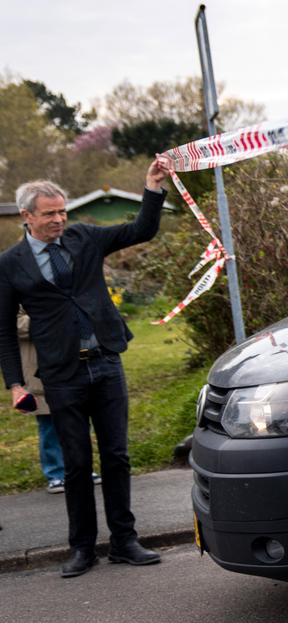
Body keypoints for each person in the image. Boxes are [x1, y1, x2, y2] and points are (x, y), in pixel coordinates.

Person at [0, 156, 172, 578]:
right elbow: (3, 329)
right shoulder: (10, 263)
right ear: (26, 216)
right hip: (61, 373)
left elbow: (140, 230)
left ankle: (125, 541)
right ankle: (81, 548)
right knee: (76, 463)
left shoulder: (85, 237)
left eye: (62, 211)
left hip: (106, 363)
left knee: (117, 456)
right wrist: (15, 384)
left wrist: (152, 187)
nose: (59, 219)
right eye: (49, 214)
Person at [17, 308, 76, 493]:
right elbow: (16, 325)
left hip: (68, 364)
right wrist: (50, 316)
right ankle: (56, 473)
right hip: (38, 371)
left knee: (76, 422)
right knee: (49, 426)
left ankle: (80, 467)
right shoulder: (16, 294)